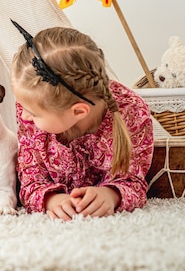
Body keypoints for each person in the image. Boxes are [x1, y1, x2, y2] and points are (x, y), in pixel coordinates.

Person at [10, 20, 154, 221]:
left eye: (33, 113)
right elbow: (30, 180)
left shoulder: (132, 113)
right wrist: (52, 200)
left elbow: (134, 183)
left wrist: (111, 195)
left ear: (78, 111)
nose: (24, 116)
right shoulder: (30, 112)